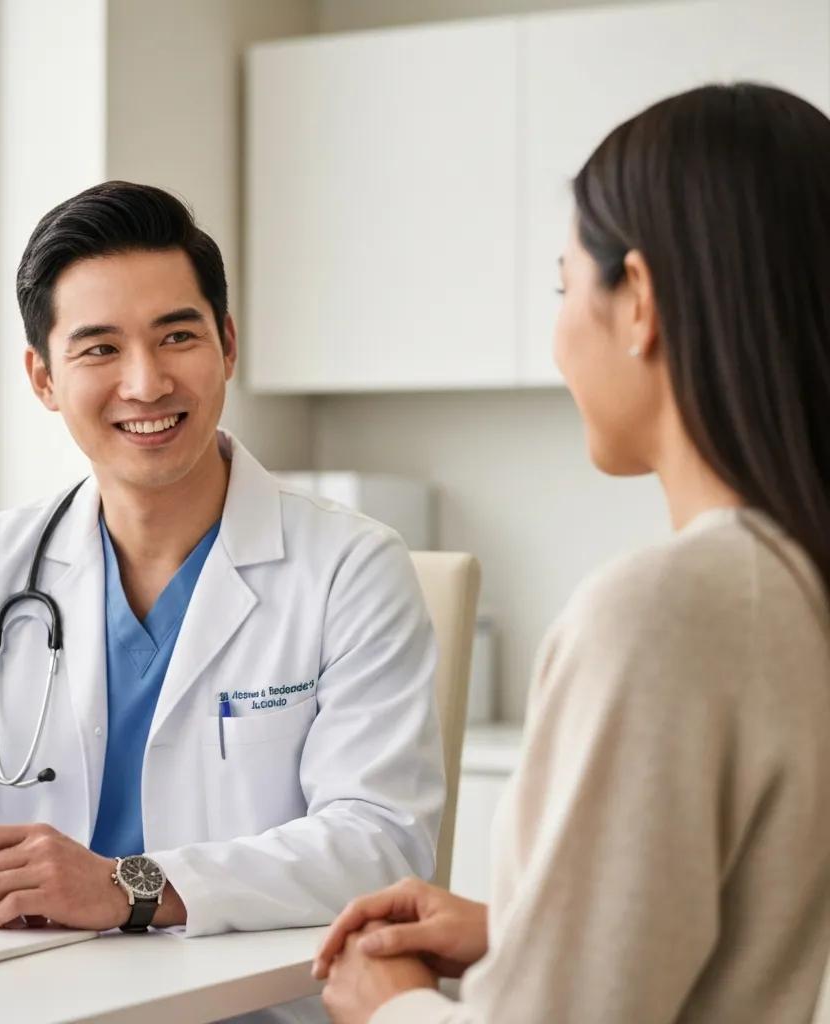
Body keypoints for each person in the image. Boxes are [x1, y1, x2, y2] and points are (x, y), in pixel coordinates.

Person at [0, 183, 445, 1015]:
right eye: (98, 349)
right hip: (49, 1003)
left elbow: (379, 840)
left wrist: (126, 886)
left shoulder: (351, 566)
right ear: (43, 378)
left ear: (228, 345)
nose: (146, 382)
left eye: (177, 336)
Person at [313, 81, 830, 1023]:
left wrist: (388, 1005)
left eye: (563, 287)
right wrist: (519, 926)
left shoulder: (664, 610)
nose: (557, 339)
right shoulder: (796, 585)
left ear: (638, 300)